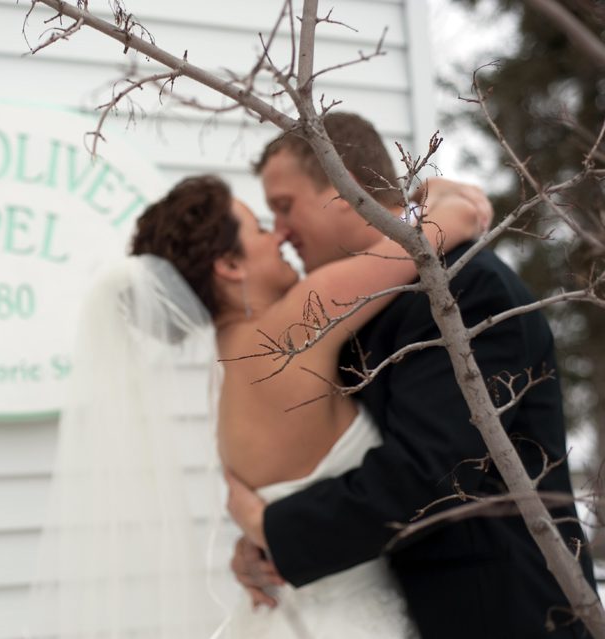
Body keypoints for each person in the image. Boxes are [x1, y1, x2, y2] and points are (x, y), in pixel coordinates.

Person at [27, 167, 487, 637]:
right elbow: (442, 226)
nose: (279, 236)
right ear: (230, 265)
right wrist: (440, 191)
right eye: (261, 229)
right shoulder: (289, 329)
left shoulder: (227, 379)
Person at [226, 111, 597, 638]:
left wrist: (273, 529)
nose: (281, 233)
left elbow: (434, 474)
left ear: (346, 187)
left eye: (284, 207)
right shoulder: (358, 308)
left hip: (506, 616)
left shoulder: (466, 289)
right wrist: (266, 548)